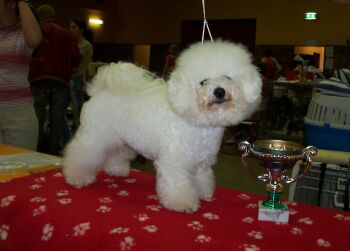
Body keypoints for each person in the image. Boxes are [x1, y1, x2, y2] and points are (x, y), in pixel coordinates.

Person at [28, 4, 80, 155]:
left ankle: (36, 150)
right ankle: (52, 153)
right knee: (57, 120)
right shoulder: (65, 33)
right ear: (53, 16)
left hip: (38, 79)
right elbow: (75, 55)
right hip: (60, 81)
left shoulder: (34, 31)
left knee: (38, 119)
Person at [0, 0, 42, 150]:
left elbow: (35, 40)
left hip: (18, 111)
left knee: (22, 165)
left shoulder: (22, 33)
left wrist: (21, 1)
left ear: (11, 4)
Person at [69, 18, 93, 131]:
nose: (71, 30)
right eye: (70, 27)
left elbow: (75, 61)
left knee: (77, 114)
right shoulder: (71, 44)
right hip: (68, 79)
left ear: (81, 30)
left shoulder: (85, 45)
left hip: (77, 80)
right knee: (60, 111)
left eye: (74, 27)